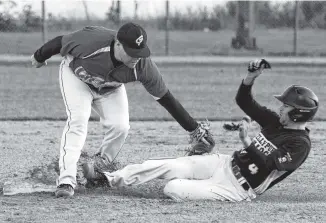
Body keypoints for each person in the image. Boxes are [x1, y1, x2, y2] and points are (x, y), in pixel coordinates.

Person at [85, 59, 319, 202]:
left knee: (173, 188)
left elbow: (271, 163)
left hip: (236, 188)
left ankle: (191, 175)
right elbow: (245, 102)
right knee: (169, 165)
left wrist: (247, 141)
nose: (281, 107)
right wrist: (250, 77)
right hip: (225, 163)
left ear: (298, 113)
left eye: (286, 106)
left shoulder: (300, 145)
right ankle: (106, 179)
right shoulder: (276, 122)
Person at [30, 22, 215, 198]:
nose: (137, 57)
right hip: (77, 78)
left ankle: (98, 167)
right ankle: (66, 180)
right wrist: (39, 56)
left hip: (110, 88)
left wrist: (195, 129)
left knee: (121, 127)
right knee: (78, 119)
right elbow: (60, 42)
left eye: (140, 52)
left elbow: (166, 99)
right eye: (132, 52)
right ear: (118, 44)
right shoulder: (92, 41)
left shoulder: (143, 65)